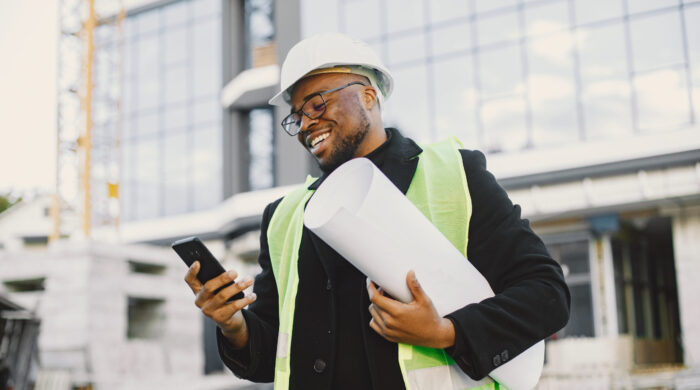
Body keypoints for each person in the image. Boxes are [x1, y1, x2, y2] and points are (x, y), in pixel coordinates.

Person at [184, 33, 570, 390]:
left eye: (317, 103)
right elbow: (268, 356)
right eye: (296, 115)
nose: (305, 124)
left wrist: (444, 332)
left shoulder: (454, 174)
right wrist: (233, 324)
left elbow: (546, 294)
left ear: (368, 95)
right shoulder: (284, 217)